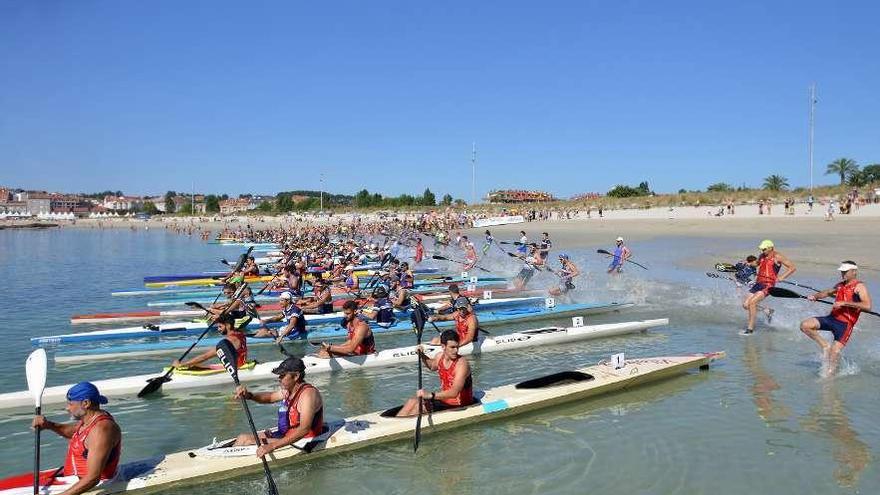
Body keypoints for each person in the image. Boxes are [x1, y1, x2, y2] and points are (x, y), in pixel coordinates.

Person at [31, 382, 122, 495]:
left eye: (70, 403)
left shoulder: (102, 430)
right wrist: (49, 425)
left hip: (94, 486)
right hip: (71, 479)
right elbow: (75, 433)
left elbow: (93, 478)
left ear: (86, 403)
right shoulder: (89, 421)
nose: (67, 408)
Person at [232, 357, 324, 458]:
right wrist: (249, 396)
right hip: (285, 434)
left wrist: (272, 446)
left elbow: (304, 429)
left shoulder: (308, 395)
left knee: (246, 441)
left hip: (302, 441)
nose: (279, 379)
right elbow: (270, 398)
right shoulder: (289, 391)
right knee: (241, 438)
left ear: (296, 376)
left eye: (282, 375)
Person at [799, 261, 872, 374]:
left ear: (854, 272)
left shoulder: (859, 287)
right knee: (805, 325)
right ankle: (825, 345)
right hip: (831, 319)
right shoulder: (841, 285)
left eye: (845, 271)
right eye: (842, 271)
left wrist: (844, 303)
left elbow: (867, 306)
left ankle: (830, 378)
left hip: (844, 325)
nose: (842, 274)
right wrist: (815, 296)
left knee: (834, 353)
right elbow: (828, 292)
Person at [395, 329, 475, 417]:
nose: (456, 350)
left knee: (418, 407)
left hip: (458, 405)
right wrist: (421, 355)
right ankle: (394, 425)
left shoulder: (462, 364)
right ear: (443, 346)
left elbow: (454, 392)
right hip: (445, 400)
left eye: (457, 347)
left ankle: (399, 427)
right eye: (452, 347)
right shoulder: (439, 356)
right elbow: (432, 366)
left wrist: (430, 395)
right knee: (412, 401)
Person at [741, 240, 796, 334]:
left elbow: (792, 267)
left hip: (768, 285)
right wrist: (748, 263)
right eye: (761, 249)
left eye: (764, 249)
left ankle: (750, 329)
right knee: (746, 305)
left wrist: (782, 277)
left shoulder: (778, 256)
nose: (762, 251)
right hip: (758, 283)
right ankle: (767, 310)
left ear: (770, 248)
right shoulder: (762, 256)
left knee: (752, 303)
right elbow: (757, 264)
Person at [172, 313, 248, 369]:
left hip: (235, 368)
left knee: (192, 366)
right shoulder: (240, 333)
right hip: (239, 364)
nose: (218, 329)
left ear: (228, 325)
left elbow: (205, 357)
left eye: (220, 326)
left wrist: (182, 364)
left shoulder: (229, 340)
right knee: (193, 365)